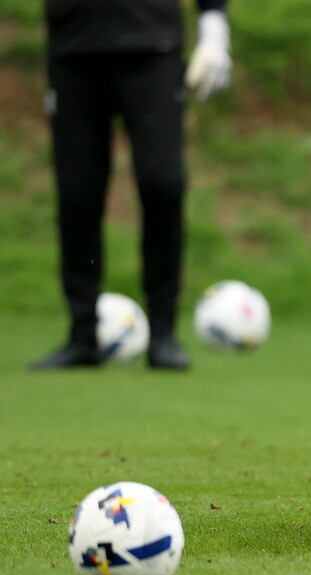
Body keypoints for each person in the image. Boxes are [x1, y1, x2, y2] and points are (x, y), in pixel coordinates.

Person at [31, 0, 233, 370]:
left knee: (163, 185)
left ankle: (163, 334)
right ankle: (82, 335)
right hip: (73, 49)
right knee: (77, 194)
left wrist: (214, 24)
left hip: (152, 47)